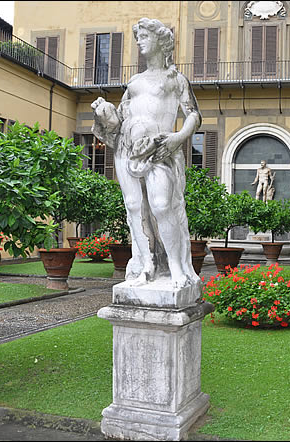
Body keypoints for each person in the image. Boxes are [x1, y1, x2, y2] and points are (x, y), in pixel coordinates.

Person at [91, 17, 201, 288]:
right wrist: (103, 112)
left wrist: (179, 137)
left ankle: (175, 267)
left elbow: (193, 115)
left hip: (160, 146)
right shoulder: (135, 81)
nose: (139, 41)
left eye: (145, 36)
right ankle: (147, 266)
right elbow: (118, 120)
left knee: (163, 206)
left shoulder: (175, 79)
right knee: (133, 207)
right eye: (138, 36)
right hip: (127, 149)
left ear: (161, 42)